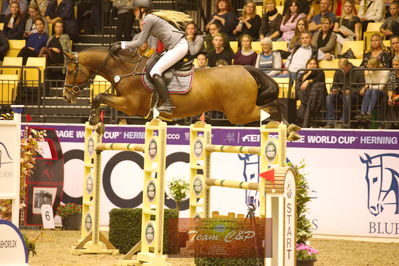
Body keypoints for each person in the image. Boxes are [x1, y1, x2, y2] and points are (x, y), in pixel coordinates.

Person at [111, 0, 191, 115]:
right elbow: (149, 42)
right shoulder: (149, 18)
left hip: (178, 46)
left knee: (155, 71)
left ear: (142, 9)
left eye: (135, 10)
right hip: (175, 46)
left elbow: (139, 42)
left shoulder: (148, 19)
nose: (134, 12)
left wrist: (121, 44)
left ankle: (168, 103)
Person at [325, 58, 365, 128]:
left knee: (347, 97)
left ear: (348, 66)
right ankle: (331, 122)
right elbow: (334, 85)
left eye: (343, 69)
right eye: (340, 69)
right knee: (329, 97)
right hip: (341, 94)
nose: (341, 71)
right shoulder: (338, 71)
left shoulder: (358, 71)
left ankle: (343, 122)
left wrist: (351, 91)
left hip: (355, 97)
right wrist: (334, 89)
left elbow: (362, 88)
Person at [295, 57, 326, 127]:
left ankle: (306, 125)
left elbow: (318, 79)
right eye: (310, 64)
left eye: (314, 64)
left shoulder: (320, 72)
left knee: (303, 112)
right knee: (298, 86)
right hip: (307, 99)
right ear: (307, 65)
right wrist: (308, 74)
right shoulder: (304, 74)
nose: (312, 65)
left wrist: (308, 81)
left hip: (318, 98)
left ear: (317, 65)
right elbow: (299, 83)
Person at [356, 57, 389, 122]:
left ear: (375, 66)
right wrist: (367, 76)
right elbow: (369, 84)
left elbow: (381, 87)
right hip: (372, 91)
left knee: (373, 90)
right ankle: (362, 113)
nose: (367, 66)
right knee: (369, 91)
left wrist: (371, 87)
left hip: (383, 92)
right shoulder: (370, 72)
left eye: (369, 65)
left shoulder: (385, 72)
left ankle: (369, 113)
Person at [384, 56, 399, 128]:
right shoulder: (392, 74)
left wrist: (396, 98)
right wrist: (390, 97)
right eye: (393, 65)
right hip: (396, 93)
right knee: (387, 100)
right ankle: (391, 124)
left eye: (397, 65)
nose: (394, 66)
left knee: (395, 101)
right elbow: (390, 87)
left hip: (398, 95)